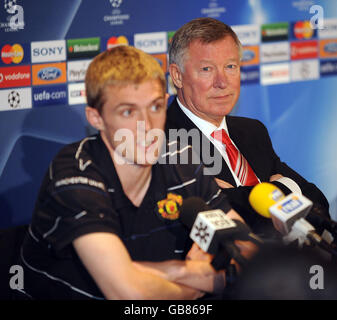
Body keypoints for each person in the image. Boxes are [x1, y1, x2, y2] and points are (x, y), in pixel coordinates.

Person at [17, 45, 256, 300]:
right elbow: (126, 293)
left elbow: (248, 252)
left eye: (154, 107)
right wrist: (194, 274)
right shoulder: (74, 172)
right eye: (128, 112)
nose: (147, 126)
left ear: (166, 103)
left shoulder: (181, 157)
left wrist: (153, 274)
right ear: (96, 118)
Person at [166, 17, 330, 233]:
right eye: (207, 69)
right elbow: (220, 227)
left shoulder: (252, 131)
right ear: (177, 76)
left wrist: (243, 195)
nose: (222, 82)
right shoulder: (165, 142)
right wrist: (287, 190)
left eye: (230, 66)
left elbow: (318, 205)